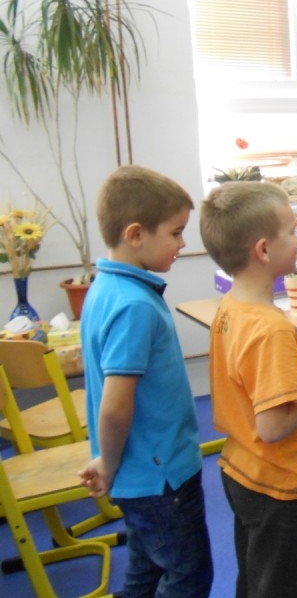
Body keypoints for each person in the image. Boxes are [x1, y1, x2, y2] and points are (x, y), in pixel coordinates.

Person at [200, 182, 297, 598]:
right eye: (292, 230)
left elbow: (249, 382)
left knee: (255, 578)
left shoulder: (231, 308)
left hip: (242, 469)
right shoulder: (272, 328)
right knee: (284, 587)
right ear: (263, 250)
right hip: (277, 483)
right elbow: (273, 426)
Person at [79, 165, 213, 597]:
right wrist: (107, 463)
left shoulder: (104, 288)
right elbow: (116, 405)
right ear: (136, 234)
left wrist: (110, 461)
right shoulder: (133, 305)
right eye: (175, 233)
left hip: (141, 474)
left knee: (146, 567)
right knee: (188, 575)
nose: (182, 244)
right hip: (160, 477)